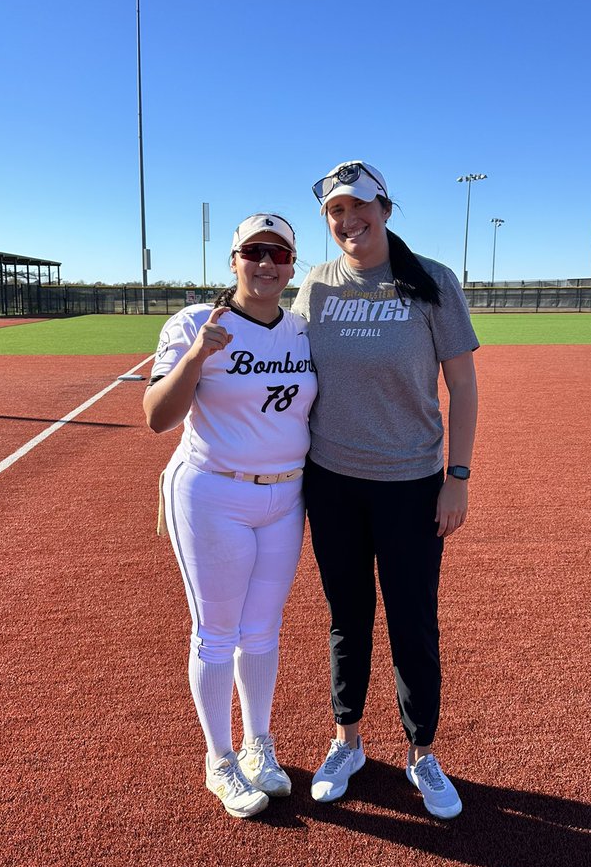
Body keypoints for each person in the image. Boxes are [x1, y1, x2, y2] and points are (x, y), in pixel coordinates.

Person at [293, 161, 479, 820]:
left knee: (412, 624)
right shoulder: (314, 286)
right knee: (348, 620)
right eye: (335, 212)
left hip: (411, 485)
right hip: (333, 485)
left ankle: (422, 753)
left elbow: (463, 386)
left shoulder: (431, 282)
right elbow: (284, 368)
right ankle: (346, 741)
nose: (348, 220)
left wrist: (457, 479)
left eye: (359, 207)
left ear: (386, 209)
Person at [144, 214, 317, 819]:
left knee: (263, 631)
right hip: (214, 493)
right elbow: (157, 416)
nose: (266, 263)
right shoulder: (195, 322)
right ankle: (219, 758)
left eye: (279, 253)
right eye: (253, 251)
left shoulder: (302, 329)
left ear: (292, 265)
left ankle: (258, 745)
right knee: (217, 632)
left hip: (285, 496)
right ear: (234, 259)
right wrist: (196, 355)